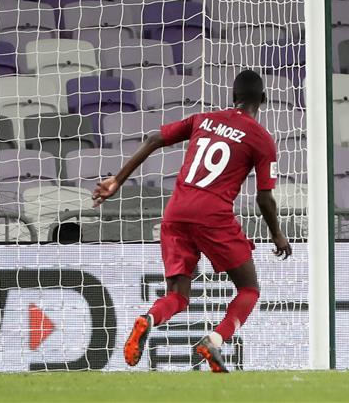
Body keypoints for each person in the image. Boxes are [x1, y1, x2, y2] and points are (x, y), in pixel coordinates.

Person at [93, 70, 292, 373]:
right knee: (249, 289)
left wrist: (117, 181)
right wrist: (277, 234)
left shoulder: (203, 119)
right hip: (213, 217)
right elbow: (264, 198)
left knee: (177, 295)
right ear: (263, 99)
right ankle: (213, 341)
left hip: (176, 212)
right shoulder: (262, 139)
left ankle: (148, 318)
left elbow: (154, 138)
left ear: (232, 97)